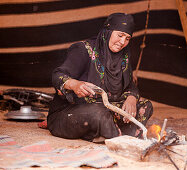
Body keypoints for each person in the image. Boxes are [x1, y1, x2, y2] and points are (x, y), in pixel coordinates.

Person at [47, 13, 153, 141]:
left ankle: (114, 134)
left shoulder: (123, 57)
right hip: (68, 115)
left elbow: (130, 85)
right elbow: (57, 75)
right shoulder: (84, 50)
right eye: (120, 35)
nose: (122, 42)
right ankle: (117, 139)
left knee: (145, 105)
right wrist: (74, 84)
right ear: (107, 31)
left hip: (106, 110)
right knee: (99, 112)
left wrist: (131, 98)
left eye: (127, 38)